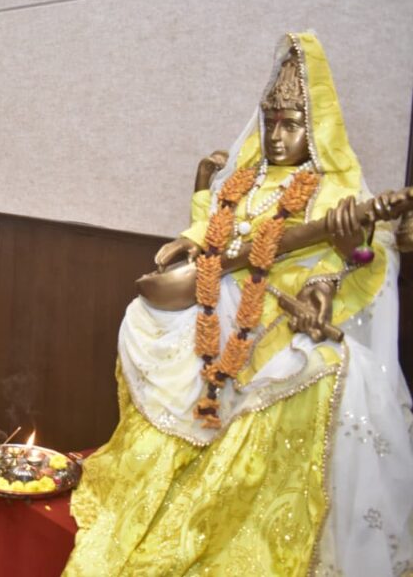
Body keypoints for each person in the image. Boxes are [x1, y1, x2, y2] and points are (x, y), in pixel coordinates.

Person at [62, 33, 413, 576]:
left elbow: (364, 260)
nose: (277, 136)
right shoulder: (246, 179)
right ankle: (169, 469)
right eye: (270, 123)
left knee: (318, 368)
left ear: (316, 129)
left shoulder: (331, 189)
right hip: (220, 296)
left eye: (291, 124)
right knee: (143, 318)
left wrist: (326, 284)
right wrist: (191, 229)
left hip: (280, 310)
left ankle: (249, 516)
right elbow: (220, 231)